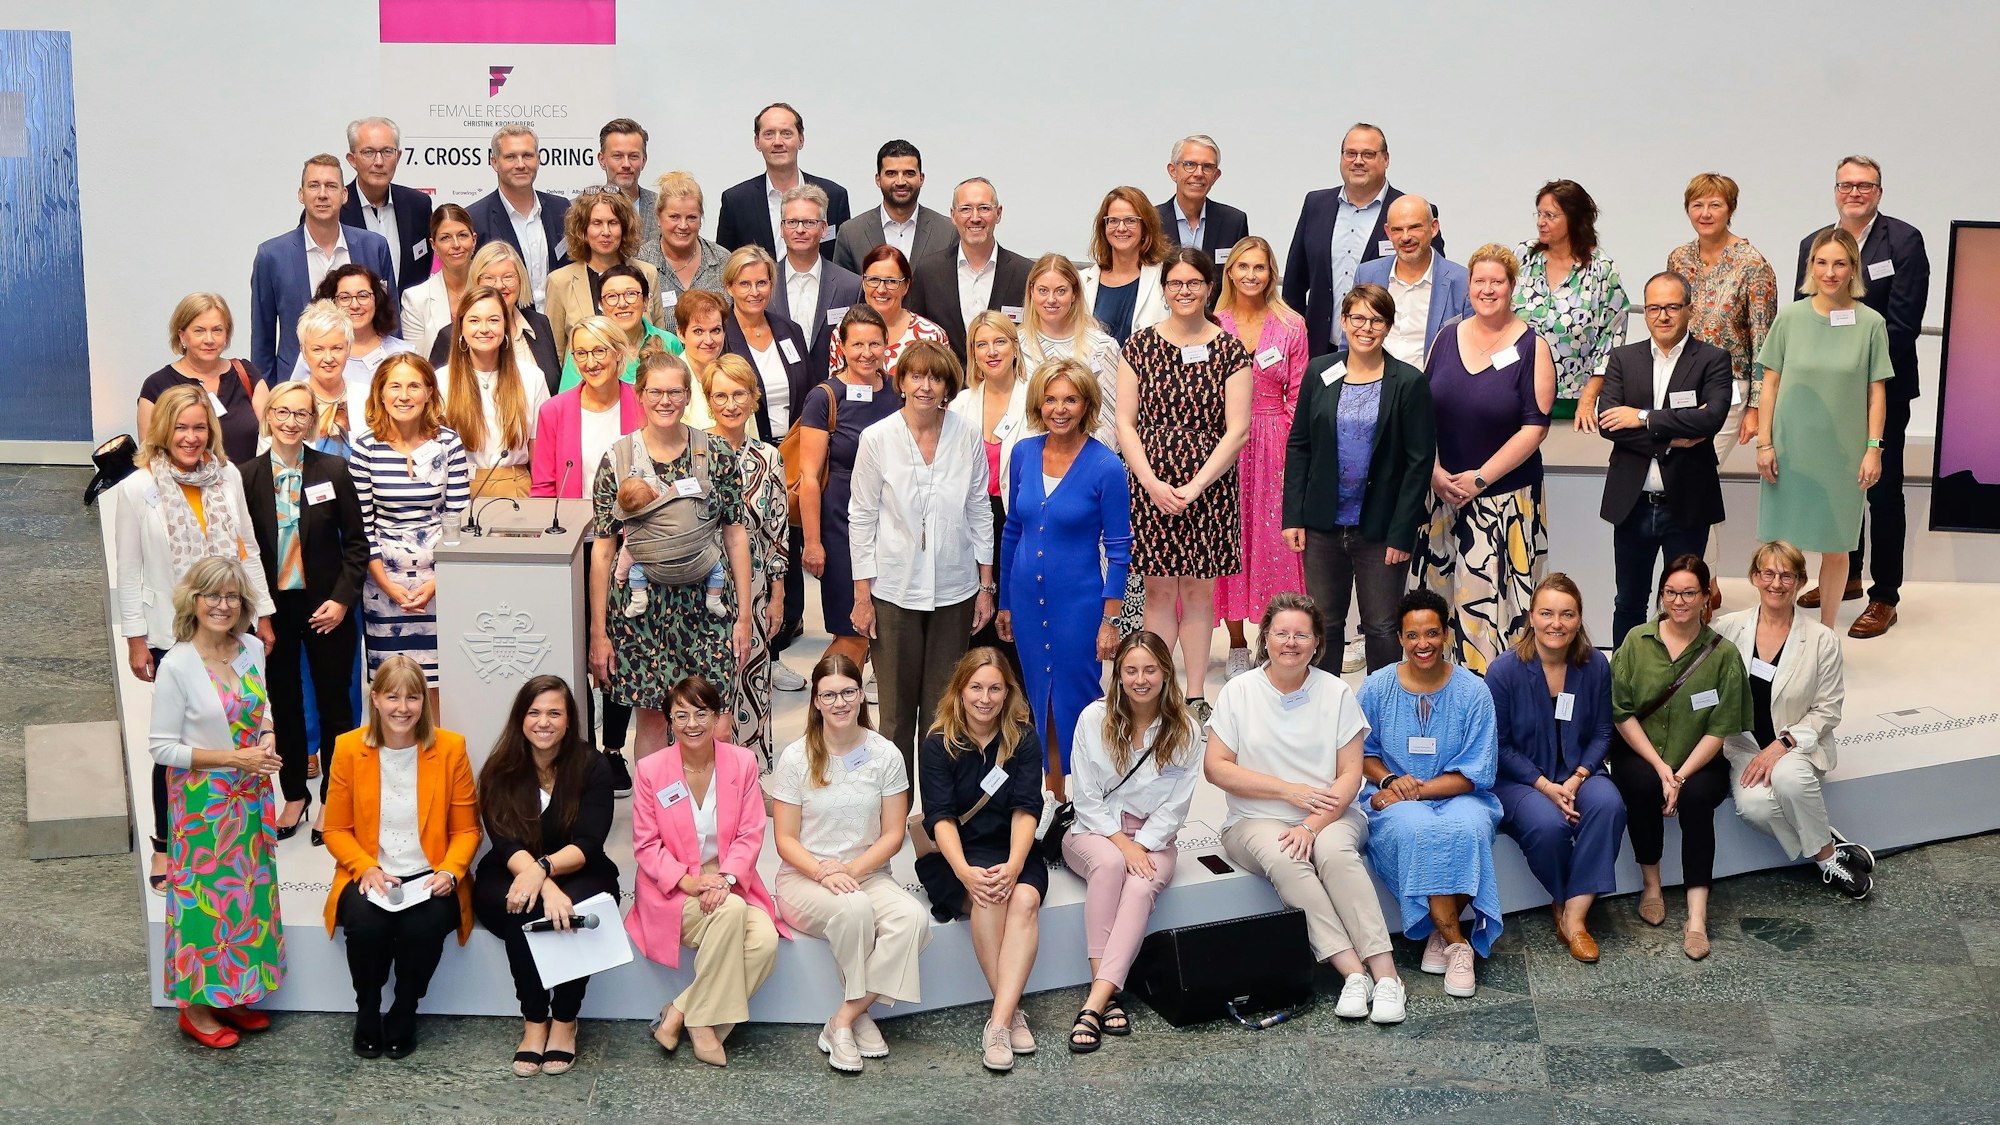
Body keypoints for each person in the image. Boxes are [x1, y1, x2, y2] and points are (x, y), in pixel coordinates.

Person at [1206, 593, 1405, 1024]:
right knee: (1287, 856)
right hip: (1254, 820)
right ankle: (1353, 972)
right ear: (1266, 638)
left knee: (1333, 853)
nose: (1290, 643)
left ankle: (1387, 977)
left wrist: (1312, 825)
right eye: (1281, 633)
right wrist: (1288, 792)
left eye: (1301, 634)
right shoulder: (1239, 692)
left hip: (1331, 814)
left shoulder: (1335, 692)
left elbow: (1351, 775)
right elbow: (1216, 768)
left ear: (1317, 643)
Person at [117, 386, 277, 893]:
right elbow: (128, 571)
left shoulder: (227, 475)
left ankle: (232, 833)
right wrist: (135, 640)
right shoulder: (136, 487)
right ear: (163, 430)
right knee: (175, 741)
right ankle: (167, 844)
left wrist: (264, 615)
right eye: (181, 427)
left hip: (231, 624)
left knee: (234, 729)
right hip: (171, 633)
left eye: (199, 427)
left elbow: (246, 546)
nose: (190, 437)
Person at [146, 556, 285, 1047]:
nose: (222, 605)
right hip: (203, 805)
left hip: (250, 796)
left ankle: (232, 994)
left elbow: (261, 706)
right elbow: (162, 748)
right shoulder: (177, 664)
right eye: (212, 595)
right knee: (203, 906)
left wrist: (266, 737)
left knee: (246, 900)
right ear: (194, 600)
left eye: (231, 596)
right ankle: (195, 1009)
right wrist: (233, 758)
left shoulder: (250, 648)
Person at [589, 352, 756, 756]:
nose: (665, 401)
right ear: (640, 396)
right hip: (641, 611)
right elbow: (603, 549)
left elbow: (735, 536)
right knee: (652, 717)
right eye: (656, 392)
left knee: (714, 720)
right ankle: (655, 817)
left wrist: (745, 615)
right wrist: (598, 630)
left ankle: (707, 815)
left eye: (675, 392)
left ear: (687, 396)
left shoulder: (716, 453)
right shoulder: (617, 459)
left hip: (707, 605)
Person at [769, 654, 929, 1074]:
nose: (839, 703)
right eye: (828, 695)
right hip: (805, 877)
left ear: (862, 696)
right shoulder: (796, 758)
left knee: (913, 919)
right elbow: (785, 840)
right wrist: (825, 871)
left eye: (848, 692)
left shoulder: (886, 754)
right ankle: (859, 1019)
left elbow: (893, 834)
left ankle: (845, 1017)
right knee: (854, 909)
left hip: (867, 873)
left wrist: (851, 872)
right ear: (816, 701)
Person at [1790, 157, 1928, 639]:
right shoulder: (1814, 243)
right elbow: (1803, 316)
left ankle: (1884, 595)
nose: (1855, 192)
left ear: (1879, 191)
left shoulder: (1904, 241)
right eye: (1846, 184)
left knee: (1882, 489)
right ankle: (1844, 574)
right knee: (1836, 484)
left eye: (1865, 185)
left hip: (1880, 388)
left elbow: (1905, 323)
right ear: (1835, 190)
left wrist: (1852, 364)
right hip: (1823, 396)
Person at [321, 655, 479, 1058]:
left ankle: (405, 1008)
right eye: (392, 697)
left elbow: (466, 830)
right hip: (371, 872)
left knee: (421, 930)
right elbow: (335, 829)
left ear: (424, 702)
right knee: (365, 928)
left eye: (412, 698)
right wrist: (364, 867)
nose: (402, 708)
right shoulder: (347, 747)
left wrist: (451, 871)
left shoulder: (450, 748)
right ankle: (368, 1009)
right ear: (375, 699)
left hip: (429, 875)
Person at [1116, 247, 1251, 715]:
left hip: (1209, 489)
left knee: (1198, 590)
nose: (1185, 291)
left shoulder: (1229, 349)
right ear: (1164, 288)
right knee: (1157, 591)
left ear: (1209, 287)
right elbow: (1125, 425)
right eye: (1176, 283)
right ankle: (1154, 692)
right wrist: (1151, 482)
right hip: (1150, 484)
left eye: (1194, 283)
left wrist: (1196, 486)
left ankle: (1194, 694)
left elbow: (1238, 430)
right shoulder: (1139, 346)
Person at [627, 676, 787, 1068]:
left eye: (702, 713)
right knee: (731, 912)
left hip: (729, 876)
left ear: (717, 717)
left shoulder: (742, 762)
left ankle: (683, 1013)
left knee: (764, 941)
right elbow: (647, 845)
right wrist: (691, 882)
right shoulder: (651, 771)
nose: (692, 724)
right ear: (668, 721)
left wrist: (728, 879)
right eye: (681, 715)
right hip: (671, 887)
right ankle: (703, 1027)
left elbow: (751, 831)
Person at [850, 339, 995, 768]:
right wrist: (863, 594)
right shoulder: (877, 438)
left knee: (944, 710)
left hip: (955, 589)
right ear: (902, 382)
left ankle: (939, 814)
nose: (926, 386)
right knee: (895, 714)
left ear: (948, 385)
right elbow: (861, 517)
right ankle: (895, 812)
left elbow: (979, 509)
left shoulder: (966, 433)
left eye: (935, 377)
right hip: (894, 590)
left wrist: (986, 586)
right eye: (917, 376)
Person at [1282, 283, 1436, 675]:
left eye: (1377, 320)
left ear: (1388, 326)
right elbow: (1299, 446)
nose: (1366, 327)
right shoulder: (1320, 371)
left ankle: (1381, 719)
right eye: (1357, 318)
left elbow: (1419, 464)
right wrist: (1293, 516)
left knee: (1383, 627)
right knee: (1324, 625)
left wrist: (1403, 533)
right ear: (1343, 321)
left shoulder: (1408, 382)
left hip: (1381, 529)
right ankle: (1326, 713)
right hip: (1322, 525)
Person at [1416, 243, 1556, 673]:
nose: (1488, 289)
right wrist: (1436, 471)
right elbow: (1423, 409)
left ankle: (1492, 700)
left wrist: (1480, 479)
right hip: (1442, 499)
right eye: (1480, 281)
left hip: (1504, 502)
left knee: (1491, 615)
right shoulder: (1445, 337)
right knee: (1438, 608)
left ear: (1512, 287)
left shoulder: (1534, 346)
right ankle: (1442, 692)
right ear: (1468, 285)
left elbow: (1535, 427)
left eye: (1497, 281)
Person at [1359, 588, 1505, 998]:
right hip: (1394, 799)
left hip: (1457, 794)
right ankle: (1458, 944)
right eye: (1412, 635)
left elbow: (1477, 771)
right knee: (1419, 830)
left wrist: (1413, 790)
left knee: (1469, 825)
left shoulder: (1474, 691)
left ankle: (1442, 938)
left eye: (1432, 633)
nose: (1422, 644)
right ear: (1401, 638)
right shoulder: (1376, 687)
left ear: (1446, 634)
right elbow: (1361, 753)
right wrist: (1390, 782)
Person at [997, 358, 1132, 801]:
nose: (1059, 408)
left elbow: (1119, 548)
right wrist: (1004, 601)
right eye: (1051, 398)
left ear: (1086, 404)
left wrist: (1110, 618)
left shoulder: (1106, 465)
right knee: (1040, 700)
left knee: (1079, 700)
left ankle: (1092, 796)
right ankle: (1054, 798)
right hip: (1025, 601)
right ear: (1038, 403)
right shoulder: (1022, 453)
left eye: (1070, 399)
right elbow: (1013, 528)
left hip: (1078, 606)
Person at [473, 676, 620, 1076]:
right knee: (522, 909)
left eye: (554, 712)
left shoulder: (593, 766)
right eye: (534, 712)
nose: (544, 722)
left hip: (580, 866)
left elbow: (590, 841)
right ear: (520, 718)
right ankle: (535, 1021)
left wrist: (544, 872)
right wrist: (544, 885)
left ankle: (566, 1020)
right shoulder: (499, 769)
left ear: (569, 720)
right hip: (510, 868)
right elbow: (504, 844)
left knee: (574, 911)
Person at [1712, 541, 1875, 899]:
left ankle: (1828, 863)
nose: (1776, 583)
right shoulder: (1726, 628)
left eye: (1787, 575)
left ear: (1801, 581)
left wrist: (1783, 744)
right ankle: (1827, 845)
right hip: (1744, 747)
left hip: (1798, 746)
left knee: (1787, 778)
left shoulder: (1822, 640)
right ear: (1754, 577)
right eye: (1768, 573)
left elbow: (1828, 709)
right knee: (1753, 808)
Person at [1608, 555, 1750, 960]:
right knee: (1640, 785)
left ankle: (1697, 917)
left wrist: (1681, 776)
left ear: (1707, 597)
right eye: (1671, 592)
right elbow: (1622, 711)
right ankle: (1651, 884)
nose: (1679, 600)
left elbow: (1720, 727)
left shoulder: (1722, 654)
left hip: (1698, 757)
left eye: (1689, 592)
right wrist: (1660, 768)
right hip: (1643, 749)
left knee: (1697, 801)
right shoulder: (1637, 641)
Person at [1065, 631, 1202, 1049]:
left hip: (1155, 837)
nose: (1141, 679)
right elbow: (1085, 798)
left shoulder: (1186, 729)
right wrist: (1123, 845)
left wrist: (1141, 842)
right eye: (1131, 670)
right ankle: (1104, 993)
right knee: (1108, 866)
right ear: (1118, 673)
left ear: (1165, 671)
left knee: (1140, 888)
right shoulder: (1093, 718)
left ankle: (1095, 1002)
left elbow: (1177, 806)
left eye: (1150, 669)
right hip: (1093, 830)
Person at [242, 381, 367, 837]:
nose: (292, 421)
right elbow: (245, 553)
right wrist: (260, 614)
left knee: (337, 707)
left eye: (301, 414)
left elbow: (357, 546)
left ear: (312, 421)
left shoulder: (333, 470)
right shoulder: (246, 476)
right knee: (286, 706)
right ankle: (294, 794)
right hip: (274, 611)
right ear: (268, 416)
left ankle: (335, 801)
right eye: (283, 412)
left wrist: (341, 600)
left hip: (327, 606)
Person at [914, 648, 1046, 1071]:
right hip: (961, 854)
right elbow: (940, 817)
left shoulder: (1023, 738)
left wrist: (1013, 864)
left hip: (1012, 847)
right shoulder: (938, 742)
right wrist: (965, 873)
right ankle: (1010, 1016)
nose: (985, 698)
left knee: (1024, 900)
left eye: (995, 688)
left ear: (1008, 692)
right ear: (960, 690)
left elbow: (1027, 808)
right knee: (988, 898)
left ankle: (998, 1021)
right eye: (976, 688)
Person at [1756, 228, 1892, 633]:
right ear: (1810, 266)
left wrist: (1873, 449)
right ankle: (1779, 632)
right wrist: (1764, 443)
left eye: (1839, 263)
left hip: (1844, 455)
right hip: (1790, 450)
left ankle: (1826, 635)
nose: (1830, 272)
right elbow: (1770, 384)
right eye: (1822, 262)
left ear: (1853, 269)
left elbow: (1876, 394)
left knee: (1836, 548)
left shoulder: (1871, 323)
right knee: (1782, 551)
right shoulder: (1790, 318)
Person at [1484, 575, 1624, 963]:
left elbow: (1601, 731)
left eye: (1566, 614)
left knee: (1609, 805)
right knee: (1548, 825)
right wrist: (1546, 786)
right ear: (1531, 616)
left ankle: (1574, 917)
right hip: (1519, 779)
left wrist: (1579, 777)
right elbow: (1500, 746)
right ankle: (1565, 899)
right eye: (1546, 613)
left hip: (1580, 771)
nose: (1555, 623)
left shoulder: (1594, 665)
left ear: (1579, 619)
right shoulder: (1504, 671)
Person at [1596, 272, 1733, 645]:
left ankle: (1684, 681)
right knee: (1629, 603)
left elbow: (1711, 418)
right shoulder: (1624, 359)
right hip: (1633, 504)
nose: (1663, 315)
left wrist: (1642, 417)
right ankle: (1625, 681)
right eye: (1654, 307)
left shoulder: (1713, 359)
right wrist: (1674, 437)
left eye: (1672, 306)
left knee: (1686, 603)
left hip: (1686, 505)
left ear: (1689, 309)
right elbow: (1609, 424)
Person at [1213, 235, 1309, 677]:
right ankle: (1235, 643)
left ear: (1272, 274)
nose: (1251, 275)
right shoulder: (1213, 323)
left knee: (1275, 545)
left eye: (1260, 267)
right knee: (1229, 541)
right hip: (1224, 445)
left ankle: (1271, 637)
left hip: (1274, 443)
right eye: (1243, 266)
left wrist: (1291, 453)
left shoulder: (1291, 325)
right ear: (1229, 272)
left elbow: (1298, 395)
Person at [349, 354, 470, 691]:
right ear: (381, 394)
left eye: (414, 385)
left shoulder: (448, 443)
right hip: (383, 583)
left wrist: (436, 583)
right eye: (395, 386)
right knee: (392, 689)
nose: (404, 395)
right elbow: (362, 528)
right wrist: (388, 586)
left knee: (440, 687)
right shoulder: (366, 447)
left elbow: (457, 518)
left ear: (429, 392)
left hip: (440, 579)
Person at [796, 306, 905, 668]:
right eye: (857, 343)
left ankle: (847, 712)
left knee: (880, 628)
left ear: (886, 345)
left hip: (890, 525)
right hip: (840, 523)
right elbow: (809, 477)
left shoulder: (898, 391)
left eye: (875, 343)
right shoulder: (825, 396)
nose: (866, 352)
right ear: (841, 346)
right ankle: (827, 712)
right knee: (851, 631)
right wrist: (813, 543)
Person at [1283, 123, 1441, 356]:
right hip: (1319, 347)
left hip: (1387, 351)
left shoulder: (1412, 213)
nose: (1358, 161)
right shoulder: (1316, 205)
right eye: (1351, 153)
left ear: (1386, 159)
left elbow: (1435, 287)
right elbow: (1295, 284)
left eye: (1368, 154)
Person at [703, 356, 790, 762]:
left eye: (739, 393)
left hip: (752, 592)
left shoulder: (769, 458)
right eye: (720, 395)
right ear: (708, 400)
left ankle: (746, 776)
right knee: (704, 690)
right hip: (698, 590)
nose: (731, 403)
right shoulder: (693, 451)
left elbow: (776, 531)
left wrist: (777, 596)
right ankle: (697, 777)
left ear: (754, 398)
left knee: (751, 679)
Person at [1667, 173, 1778, 484]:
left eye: (1715, 205)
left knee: (1693, 474)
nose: (1705, 213)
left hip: (1728, 387)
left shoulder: (1753, 265)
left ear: (1731, 209)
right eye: (1697, 204)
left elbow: (1764, 342)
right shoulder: (1679, 258)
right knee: (1682, 476)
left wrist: (1756, 408)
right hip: (1681, 383)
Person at [251, 154, 396, 380]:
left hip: (369, 380)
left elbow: (390, 319)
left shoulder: (374, 247)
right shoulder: (272, 256)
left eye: (330, 186)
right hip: (297, 384)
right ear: (301, 194)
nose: (322, 194)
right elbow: (262, 340)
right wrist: (269, 397)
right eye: (313, 186)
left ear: (344, 194)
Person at [949, 310, 1031, 674]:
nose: (992, 351)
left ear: (1015, 347)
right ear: (973, 353)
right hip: (973, 521)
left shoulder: (1036, 400)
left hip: (1022, 520)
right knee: (978, 616)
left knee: (1016, 616)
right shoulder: (961, 405)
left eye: (1000, 341)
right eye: (981, 344)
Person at [1514, 180, 1629, 426]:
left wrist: (1588, 400)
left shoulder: (1602, 269)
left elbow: (1611, 340)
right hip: (1515, 394)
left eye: (1550, 215)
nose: (1540, 221)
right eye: (1539, 213)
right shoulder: (1523, 255)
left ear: (1575, 219)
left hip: (1571, 403)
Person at [907, 178, 1035, 362]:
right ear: (953, 215)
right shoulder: (928, 272)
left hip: (1007, 387)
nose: (975, 218)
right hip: (946, 388)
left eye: (984, 208)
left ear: (998, 214)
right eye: (965, 209)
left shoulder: (1025, 274)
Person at [437, 285, 549, 497]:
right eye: (474, 320)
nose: (484, 328)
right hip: (458, 492)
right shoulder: (441, 380)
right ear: (460, 327)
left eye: (494, 320)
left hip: (518, 489)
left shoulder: (531, 376)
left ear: (506, 325)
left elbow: (539, 449)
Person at [139, 292, 267, 466]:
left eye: (217, 330)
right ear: (182, 335)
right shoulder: (157, 386)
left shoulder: (247, 374)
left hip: (247, 490)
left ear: (227, 335)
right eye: (199, 331)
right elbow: (149, 457)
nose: (209, 339)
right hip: (184, 491)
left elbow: (271, 435)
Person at [715, 102, 852, 256]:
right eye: (769, 134)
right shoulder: (736, 201)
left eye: (786, 133)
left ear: (801, 140)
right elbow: (726, 267)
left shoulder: (833, 196)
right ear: (757, 142)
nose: (778, 142)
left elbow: (843, 264)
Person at [1017, 253, 1124, 446]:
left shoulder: (1102, 347)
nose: (1051, 299)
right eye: (1043, 290)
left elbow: (1109, 424)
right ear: (1031, 292)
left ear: (1074, 294)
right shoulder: (1015, 345)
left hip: (1084, 462)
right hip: (1027, 459)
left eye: (1060, 291)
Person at [1354, 195, 1471, 368]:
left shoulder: (1462, 281)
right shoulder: (1367, 274)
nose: (1406, 237)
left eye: (1415, 227)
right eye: (1397, 230)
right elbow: (1349, 339)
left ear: (1434, 228)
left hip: (1432, 390)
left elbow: (1472, 348)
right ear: (1387, 232)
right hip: (1375, 386)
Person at [429, 242, 562, 388]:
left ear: (520, 280)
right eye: (489, 278)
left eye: (508, 276)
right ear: (476, 282)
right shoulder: (450, 335)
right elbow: (435, 393)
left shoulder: (539, 323)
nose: (499, 285)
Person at [545, 188, 662, 355]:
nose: (605, 232)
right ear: (583, 229)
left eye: (613, 223)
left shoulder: (647, 273)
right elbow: (556, 352)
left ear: (624, 228)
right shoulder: (559, 281)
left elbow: (659, 340)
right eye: (597, 223)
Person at [466, 124, 570, 308]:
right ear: (494, 162)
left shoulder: (561, 209)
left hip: (560, 326)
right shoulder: (475, 219)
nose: (521, 164)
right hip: (507, 327)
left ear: (538, 159)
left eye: (527, 155)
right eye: (510, 157)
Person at [720, 246, 813, 441]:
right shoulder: (720, 336)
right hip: (743, 449)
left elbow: (809, 392)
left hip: (795, 447)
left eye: (761, 283)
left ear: (771, 285)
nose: (754, 292)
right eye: (744, 284)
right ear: (729, 287)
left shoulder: (790, 330)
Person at [774, 184, 865, 375]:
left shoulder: (851, 286)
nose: (800, 230)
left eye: (809, 222)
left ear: (824, 229)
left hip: (833, 396)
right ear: (782, 228)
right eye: (792, 222)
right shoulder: (763, 284)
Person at [555, 264, 687, 395]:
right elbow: (567, 400)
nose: (622, 304)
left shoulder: (669, 342)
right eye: (612, 296)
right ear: (601, 305)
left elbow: (684, 393)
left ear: (645, 301)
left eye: (631, 294)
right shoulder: (585, 346)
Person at [833, 139, 958, 274]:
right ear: (878, 179)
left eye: (909, 173)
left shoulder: (948, 232)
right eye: (891, 173)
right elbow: (843, 290)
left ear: (921, 178)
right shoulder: (851, 233)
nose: (900, 181)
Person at [341, 116, 434, 291]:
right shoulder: (335, 210)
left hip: (408, 317)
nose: (379, 162)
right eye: (368, 152)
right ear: (352, 159)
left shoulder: (418, 206)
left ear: (398, 156)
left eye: (387, 152)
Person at [833, 245, 949, 380]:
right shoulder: (843, 330)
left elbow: (942, 390)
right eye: (874, 280)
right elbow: (836, 390)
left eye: (891, 281)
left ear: (906, 286)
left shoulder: (932, 335)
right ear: (864, 283)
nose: (881, 289)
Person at [1080, 186, 1172, 347]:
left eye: (1131, 220)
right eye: (1113, 220)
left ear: (1145, 227)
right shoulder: (1082, 281)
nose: (1121, 228)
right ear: (1104, 227)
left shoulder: (1166, 278)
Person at [296, 263, 413, 383]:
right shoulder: (313, 356)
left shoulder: (404, 352)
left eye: (363, 296)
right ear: (331, 301)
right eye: (345, 298)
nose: (355, 305)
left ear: (377, 300)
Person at [637, 171, 731, 309]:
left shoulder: (723, 261)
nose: (683, 226)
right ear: (658, 218)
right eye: (674, 217)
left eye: (691, 217)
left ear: (700, 219)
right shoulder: (641, 262)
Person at [398, 204, 479, 358]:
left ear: (474, 239)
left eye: (462, 235)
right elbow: (417, 363)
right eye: (445, 238)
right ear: (433, 245)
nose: (456, 245)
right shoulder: (415, 298)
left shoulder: (491, 289)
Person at [294, 300, 372, 459]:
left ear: (349, 348)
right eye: (318, 349)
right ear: (303, 351)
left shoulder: (370, 397)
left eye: (337, 348)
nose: (328, 358)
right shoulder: (286, 399)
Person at [1156, 134, 1250, 257]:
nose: (1199, 173)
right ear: (1173, 171)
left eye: (1207, 167)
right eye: (1189, 164)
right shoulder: (1151, 221)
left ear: (1215, 176)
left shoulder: (1234, 223)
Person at [597, 117, 660, 254]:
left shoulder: (662, 207)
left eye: (633, 156)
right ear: (602, 160)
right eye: (617, 156)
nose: (626, 164)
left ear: (643, 160)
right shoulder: (577, 210)